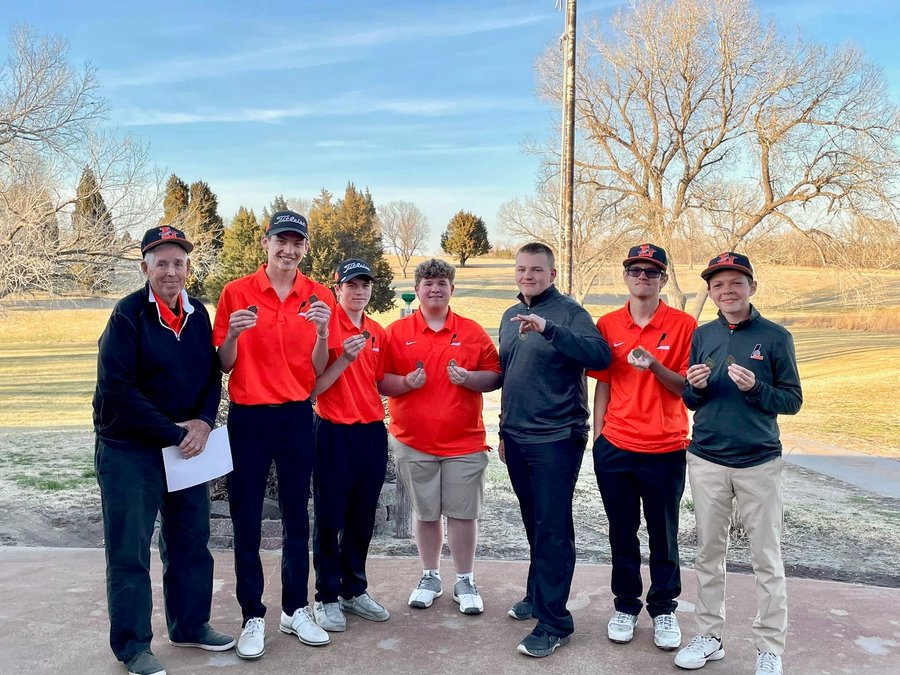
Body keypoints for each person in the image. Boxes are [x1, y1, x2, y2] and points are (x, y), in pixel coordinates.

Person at [93, 225, 234, 675]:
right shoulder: (127, 315)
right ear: (145, 267)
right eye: (161, 263)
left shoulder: (198, 313)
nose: (171, 271)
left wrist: (205, 422)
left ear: (188, 268)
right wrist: (175, 433)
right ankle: (134, 647)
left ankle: (190, 626)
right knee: (129, 550)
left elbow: (211, 376)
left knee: (192, 541)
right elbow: (118, 391)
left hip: (184, 449)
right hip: (128, 449)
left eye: (178, 263)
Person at [212, 210, 339, 659]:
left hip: (295, 416)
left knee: (295, 517)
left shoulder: (319, 296)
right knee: (245, 519)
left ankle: (295, 609)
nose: (288, 250)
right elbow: (224, 363)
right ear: (265, 242)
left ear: (305, 247)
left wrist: (323, 331)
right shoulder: (237, 292)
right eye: (281, 241)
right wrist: (232, 335)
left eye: (297, 242)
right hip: (247, 417)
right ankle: (252, 614)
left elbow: (321, 368)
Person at [675, 252, 802, 675]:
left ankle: (769, 647)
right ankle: (709, 637)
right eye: (718, 285)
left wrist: (758, 388)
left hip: (758, 462)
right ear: (710, 293)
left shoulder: (776, 336)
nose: (727, 291)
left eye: (735, 283)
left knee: (766, 556)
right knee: (709, 553)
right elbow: (692, 400)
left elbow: (792, 400)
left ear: (752, 287)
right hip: (707, 458)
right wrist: (693, 388)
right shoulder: (703, 334)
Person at [498, 242, 611, 657]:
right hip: (518, 436)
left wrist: (550, 329)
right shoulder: (509, 316)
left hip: (558, 437)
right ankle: (538, 595)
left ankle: (555, 622)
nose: (528, 276)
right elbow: (511, 374)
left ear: (552, 274)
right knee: (534, 522)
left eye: (536, 269)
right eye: (522, 269)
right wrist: (503, 430)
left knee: (552, 527)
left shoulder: (569, 312)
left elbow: (600, 356)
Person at [587, 244, 696, 652]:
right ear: (626, 276)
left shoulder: (684, 325)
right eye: (635, 270)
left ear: (663, 279)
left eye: (651, 272)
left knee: (664, 535)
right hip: (615, 447)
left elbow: (686, 388)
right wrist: (599, 438)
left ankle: (664, 607)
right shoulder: (609, 323)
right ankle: (626, 606)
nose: (642, 277)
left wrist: (654, 365)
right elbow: (604, 382)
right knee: (621, 532)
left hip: (666, 447)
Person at [380, 258, 501, 616]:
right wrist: (404, 384)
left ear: (452, 289)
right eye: (428, 282)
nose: (435, 288)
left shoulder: (472, 331)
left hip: (464, 441)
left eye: (442, 283)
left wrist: (468, 379)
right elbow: (380, 379)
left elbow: (494, 376)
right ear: (416, 290)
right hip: (413, 440)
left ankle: (465, 579)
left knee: (463, 514)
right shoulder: (397, 332)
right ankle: (429, 577)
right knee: (426, 512)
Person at [309, 258, 391, 632]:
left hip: (371, 432)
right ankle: (326, 596)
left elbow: (381, 382)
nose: (359, 291)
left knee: (362, 517)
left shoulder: (377, 331)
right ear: (337, 288)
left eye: (365, 285)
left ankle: (353, 590)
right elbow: (314, 388)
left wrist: (416, 382)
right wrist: (344, 357)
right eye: (351, 285)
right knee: (330, 518)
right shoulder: (326, 329)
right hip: (334, 430)